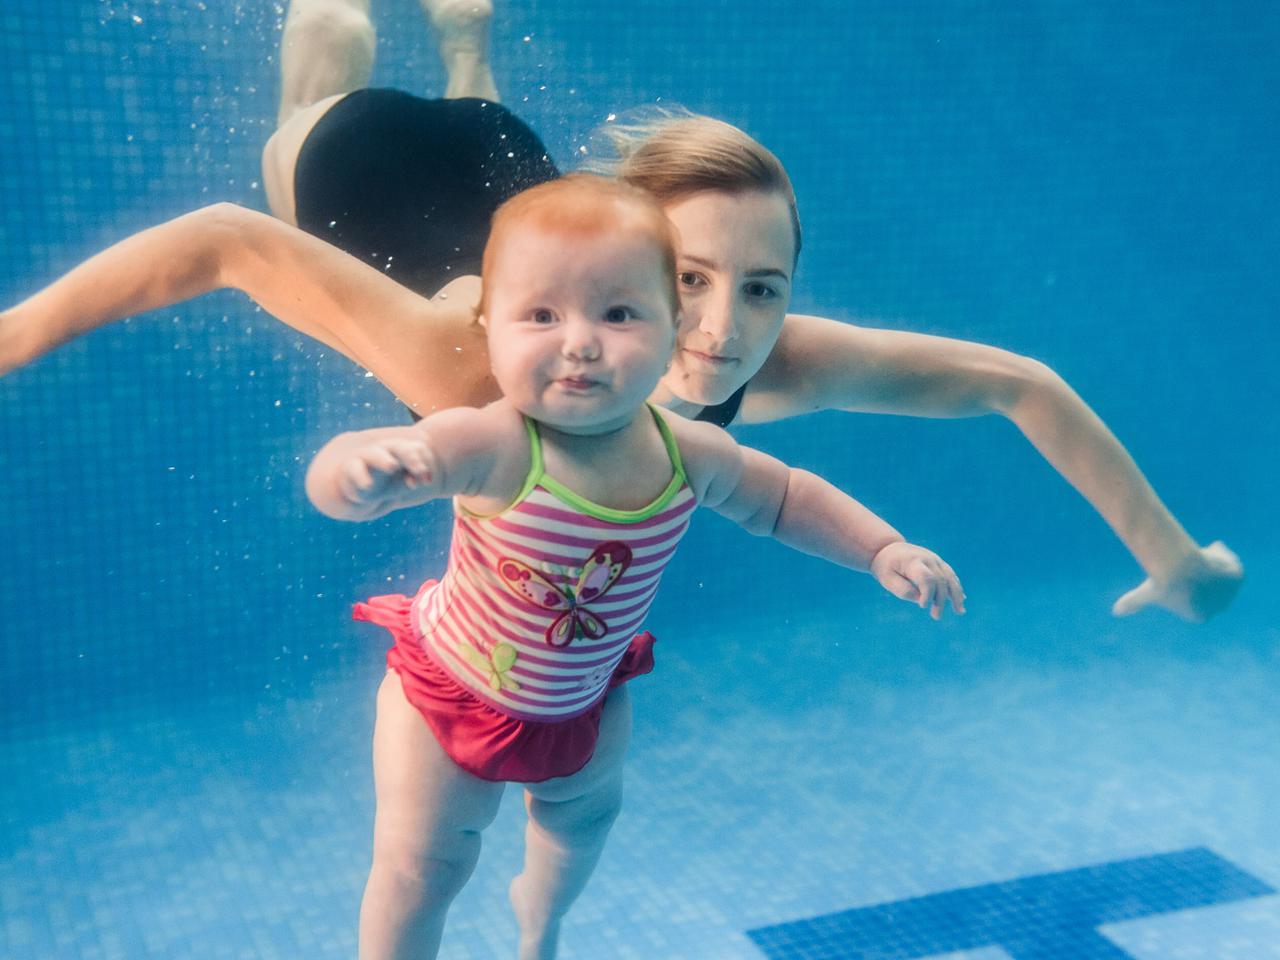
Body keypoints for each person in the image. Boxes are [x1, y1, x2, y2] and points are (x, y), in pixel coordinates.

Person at [0, 0, 1241, 622]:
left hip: (510, 166)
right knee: (317, 71)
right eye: (689, 284)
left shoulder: (766, 354)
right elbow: (223, 241)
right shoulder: (458, 356)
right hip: (367, 171)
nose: (721, 336)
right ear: (639, 260)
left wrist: (1172, 561)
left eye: (763, 288)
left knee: (482, 109)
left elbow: (1012, 382)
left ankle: (466, 42)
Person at [307, 174, 963, 959]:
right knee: (426, 866)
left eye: (618, 313)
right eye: (541, 315)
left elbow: (786, 498)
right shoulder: (495, 441)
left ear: (671, 327)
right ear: (489, 328)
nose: (579, 342)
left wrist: (881, 549)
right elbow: (363, 470)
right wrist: (356, 472)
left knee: (580, 829)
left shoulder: (690, 454)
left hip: (583, 704)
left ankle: (539, 924)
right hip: (449, 693)